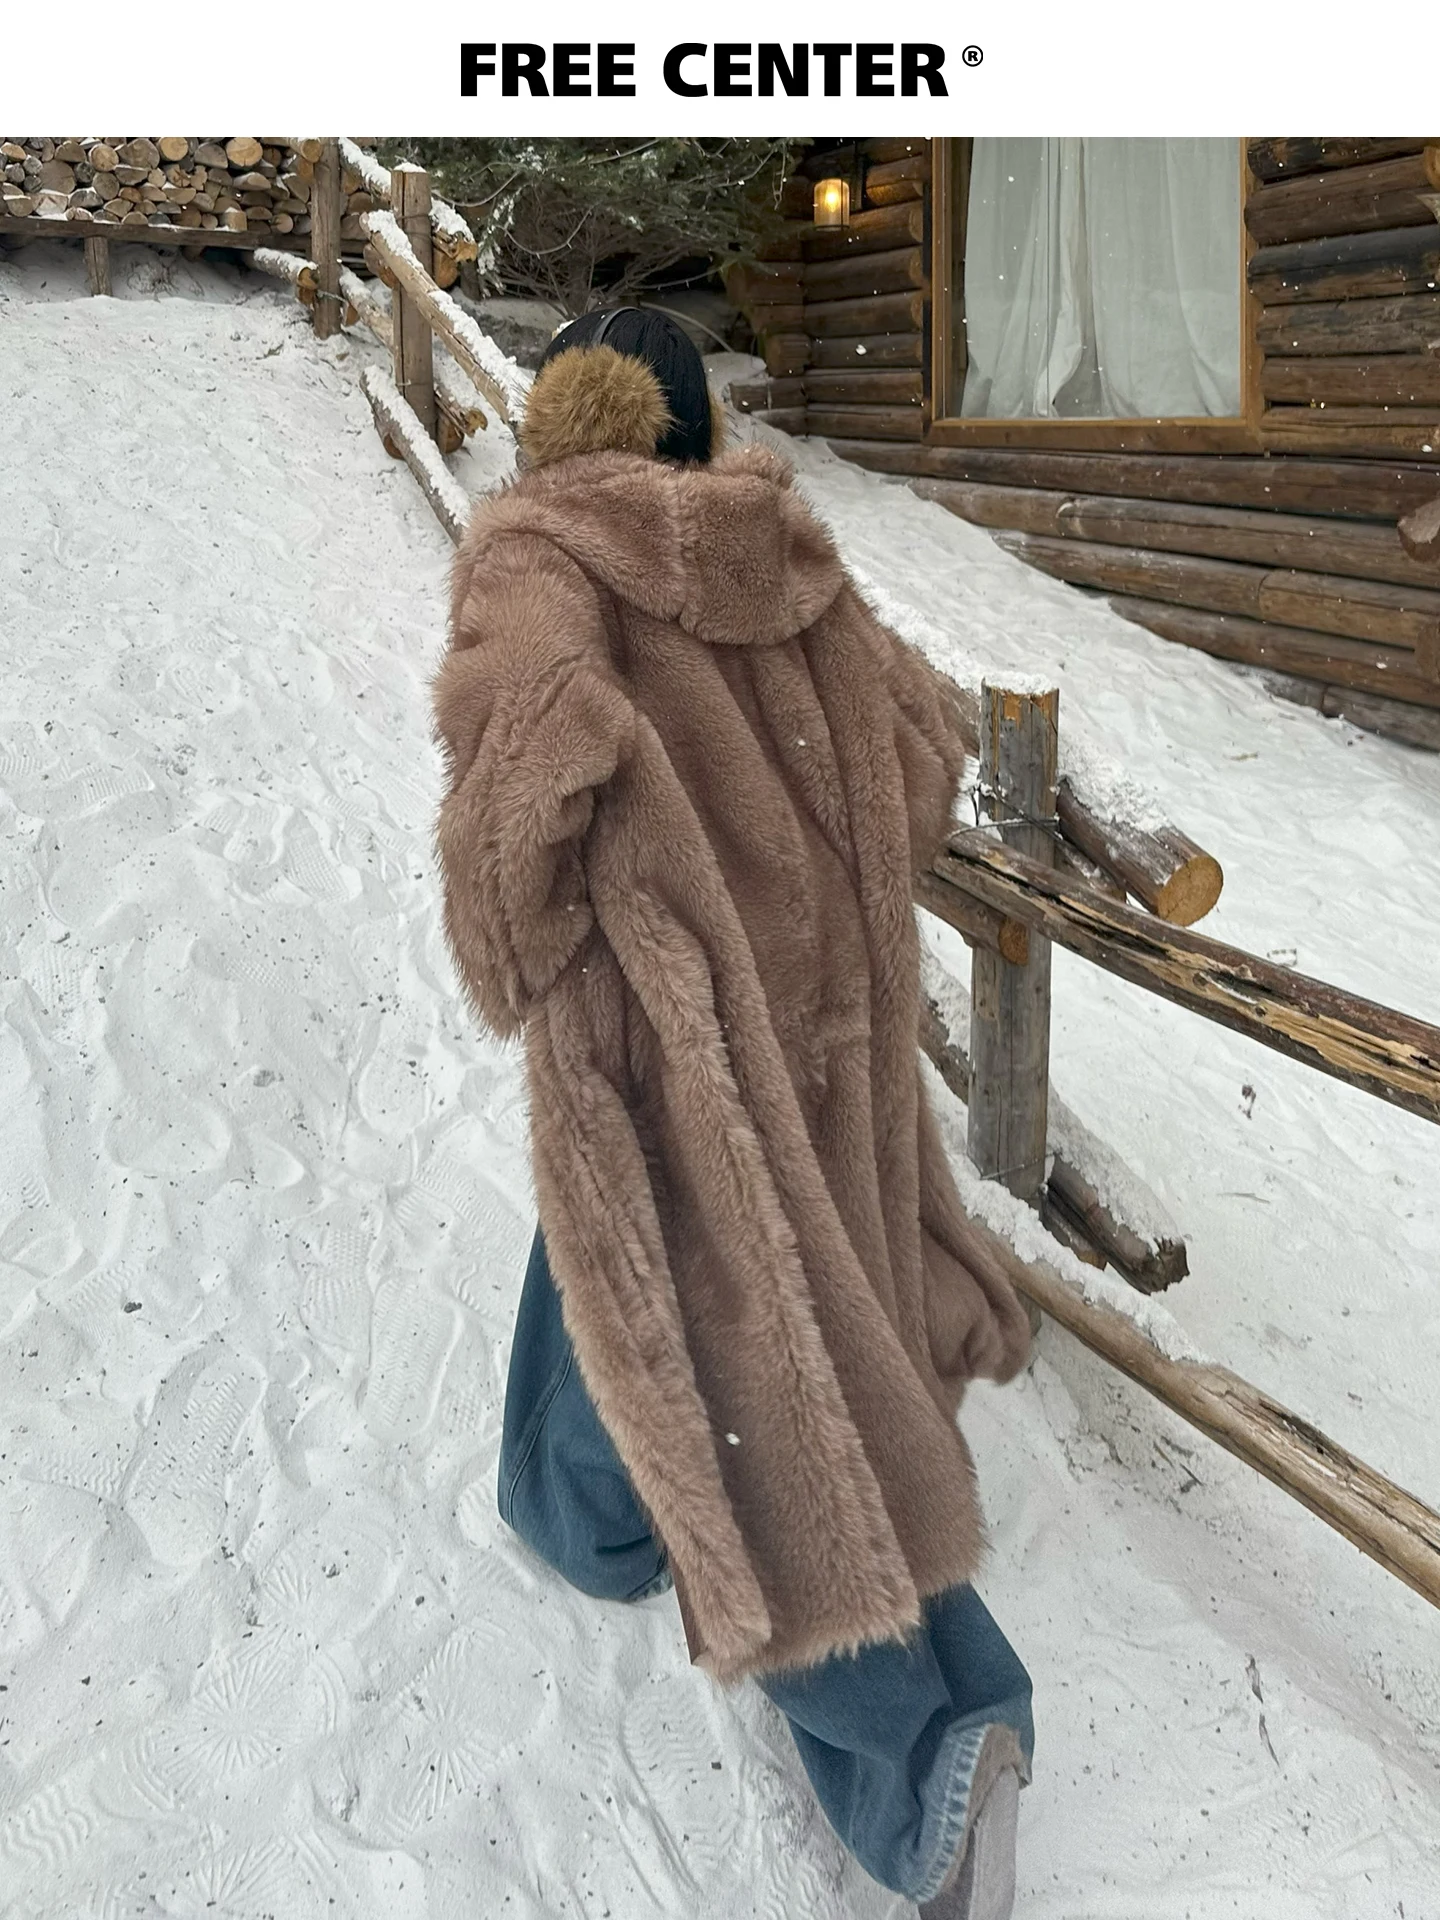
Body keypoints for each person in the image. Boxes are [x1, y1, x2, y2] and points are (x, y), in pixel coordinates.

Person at [432, 305, 1036, 1917]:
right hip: (822, 1027)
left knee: (748, 1375)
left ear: (563, 418)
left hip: (670, 1032)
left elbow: (519, 785)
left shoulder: (540, 553)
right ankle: (583, 1513)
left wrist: (524, 941)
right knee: (656, 1290)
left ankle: (931, 1748)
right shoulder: (784, 552)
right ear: (698, 425)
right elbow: (922, 760)